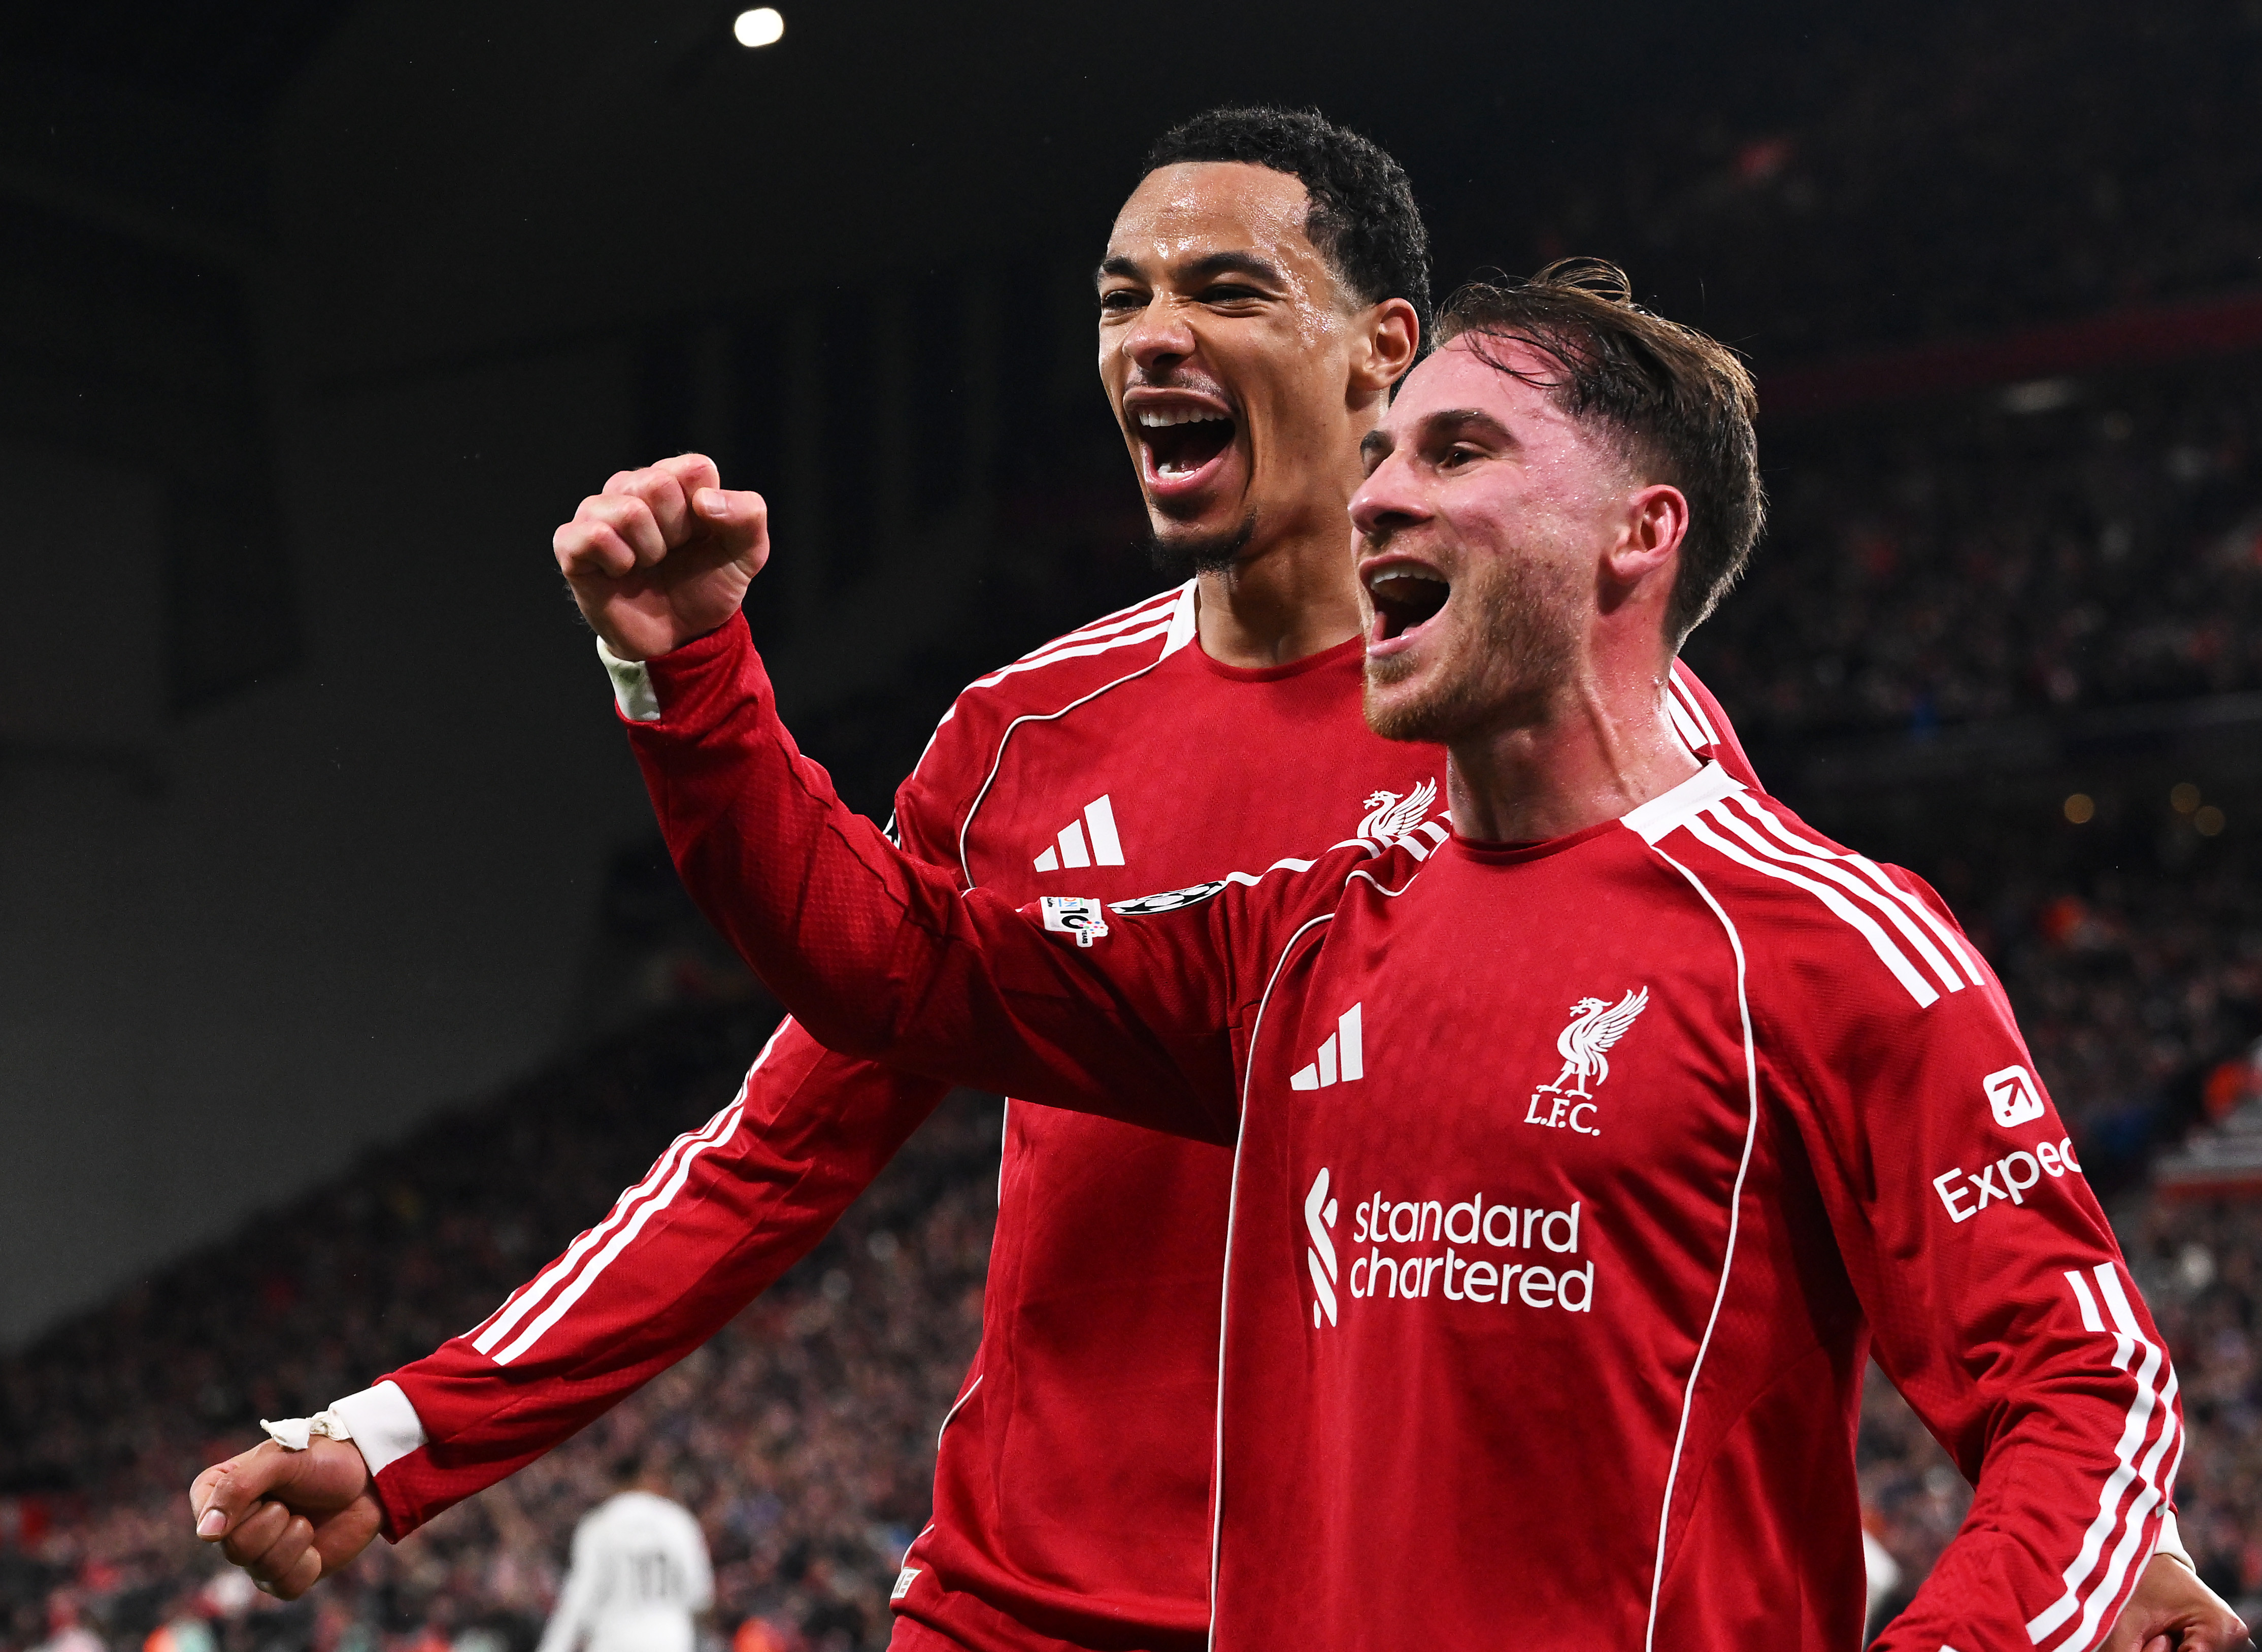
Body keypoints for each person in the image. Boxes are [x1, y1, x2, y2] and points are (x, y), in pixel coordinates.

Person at [184, 114, 2232, 1646]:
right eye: (1117, 301)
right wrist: (409, 1425)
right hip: (1033, 1599)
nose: (1153, 337)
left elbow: (1795, 1161)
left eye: (1226, 290)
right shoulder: (1042, 750)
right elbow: (786, 1124)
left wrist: (2073, 1534)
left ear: (1376, 352)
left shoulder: (1619, 783)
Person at [537, 1459, 713, 1652]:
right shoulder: (678, 1521)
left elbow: (581, 1596)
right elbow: (700, 1593)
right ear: (645, 1477)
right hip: (669, 1639)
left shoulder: (600, 1524)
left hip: (615, 1638)